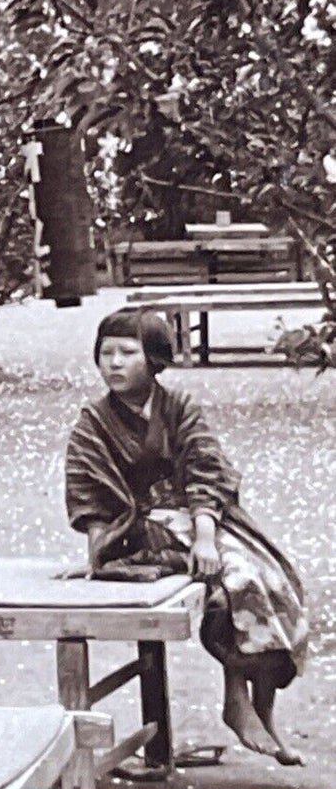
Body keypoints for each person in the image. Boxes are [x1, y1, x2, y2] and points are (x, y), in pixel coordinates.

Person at [65, 308, 307, 764]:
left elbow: (206, 468)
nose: (114, 363)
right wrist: (98, 554)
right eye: (106, 353)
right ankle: (237, 693)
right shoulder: (93, 423)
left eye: (127, 353)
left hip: (201, 521)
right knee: (237, 581)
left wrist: (204, 534)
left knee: (274, 579)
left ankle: (260, 706)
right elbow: (91, 492)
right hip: (138, 532)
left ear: (154, 359)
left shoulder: (179, 407)